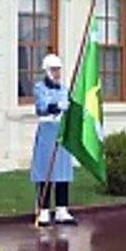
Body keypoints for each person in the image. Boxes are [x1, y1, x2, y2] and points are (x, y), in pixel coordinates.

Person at [31, 54, 76, 226]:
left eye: (59, 70)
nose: (57, 73)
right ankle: (43, 210)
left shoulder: (64, 89)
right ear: (47, 71)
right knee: (45, 170)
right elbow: (42, 107)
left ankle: (61, 209)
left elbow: (67, 106)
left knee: (62, 170)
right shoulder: (40, 88)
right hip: (47, 131)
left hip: (61, 130)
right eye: (54, 70)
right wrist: (56, 106)